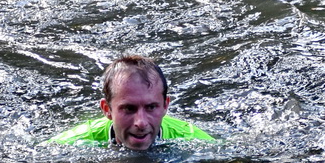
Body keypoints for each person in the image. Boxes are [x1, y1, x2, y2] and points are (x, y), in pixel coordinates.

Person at [44, 54, 216, 150]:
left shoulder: (194, 141)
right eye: (128, 109)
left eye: (151, 107)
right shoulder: (74, 144)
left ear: (165, 106)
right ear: (107, 109)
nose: (141, 122)